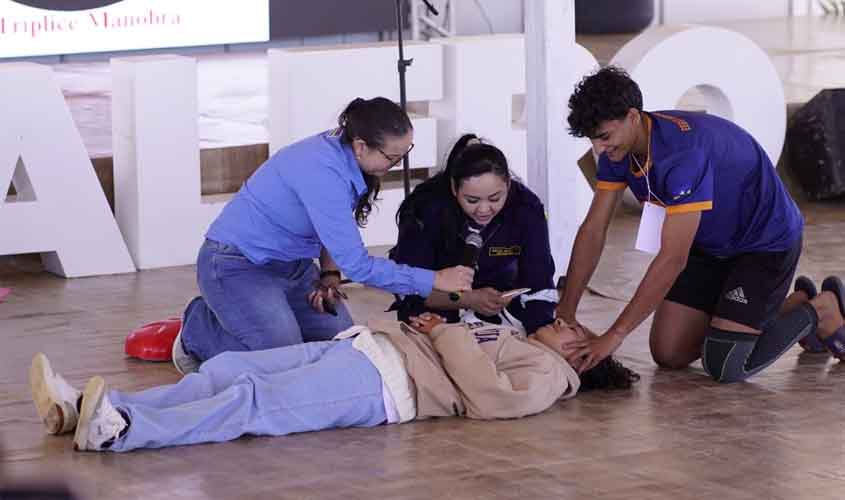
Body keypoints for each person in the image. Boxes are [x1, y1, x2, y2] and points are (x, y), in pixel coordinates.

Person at [556, 66, 844, 383]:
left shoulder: (682, 156)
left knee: (726, 364)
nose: (598, 149)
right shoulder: (619, 150)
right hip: (709, 244)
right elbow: (593, 230)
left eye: (604, 137)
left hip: (764, 245)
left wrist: (615, 335)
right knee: (669, 353)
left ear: (633, 117)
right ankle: (779, 308)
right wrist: (566, 312)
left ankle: (821, 309)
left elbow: (672, 258)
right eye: (592, 139)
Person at [170, 97, 474, 375]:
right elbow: (358, 266)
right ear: (360, 146)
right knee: (283, 360)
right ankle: (198, 329)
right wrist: (434, 279)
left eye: (405, 152)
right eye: (393, 157)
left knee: (342, 342)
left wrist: (329, 275)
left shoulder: (347, 155)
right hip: (237, 265)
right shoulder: (322, 172)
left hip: (293, 266)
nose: (399, 163)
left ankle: (255, 320)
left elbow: (332, 226)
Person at [29, 315, 639, 452]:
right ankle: (87, 406)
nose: (561, 323)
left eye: (572, 331)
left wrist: (448, 331)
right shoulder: (519, 338)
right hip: (365, 349)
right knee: (227, 369)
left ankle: (122, 432)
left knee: (254, 401)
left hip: (383, 384)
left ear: (582, 359)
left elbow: (490, 400)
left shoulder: (551, 377)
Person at [389, 134, 558, 335]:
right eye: (472, 200)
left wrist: (538, 332)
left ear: (508, 186)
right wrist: (467, 299)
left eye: (495, 198)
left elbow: (539, 281)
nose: (484, 210)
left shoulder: (526, 208)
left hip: (498, 305)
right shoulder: (425, 209)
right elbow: (408, 287)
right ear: (454, 188)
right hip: (436, 307)